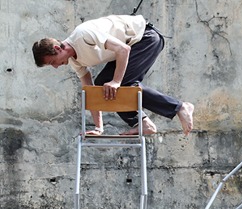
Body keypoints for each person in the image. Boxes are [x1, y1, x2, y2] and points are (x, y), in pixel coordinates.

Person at [32, 14, 193, 136]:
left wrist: (116, 81)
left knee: (121, 84)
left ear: (58, 49)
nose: (55, 67)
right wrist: (98, 127)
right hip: (132, 45)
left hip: (145, 38)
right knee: (104, 84)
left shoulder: (83, 35)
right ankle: (144, 123)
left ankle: (179, 106)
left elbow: (123, 50)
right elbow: (91, 92)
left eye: (53, 61)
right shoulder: (74, 61)